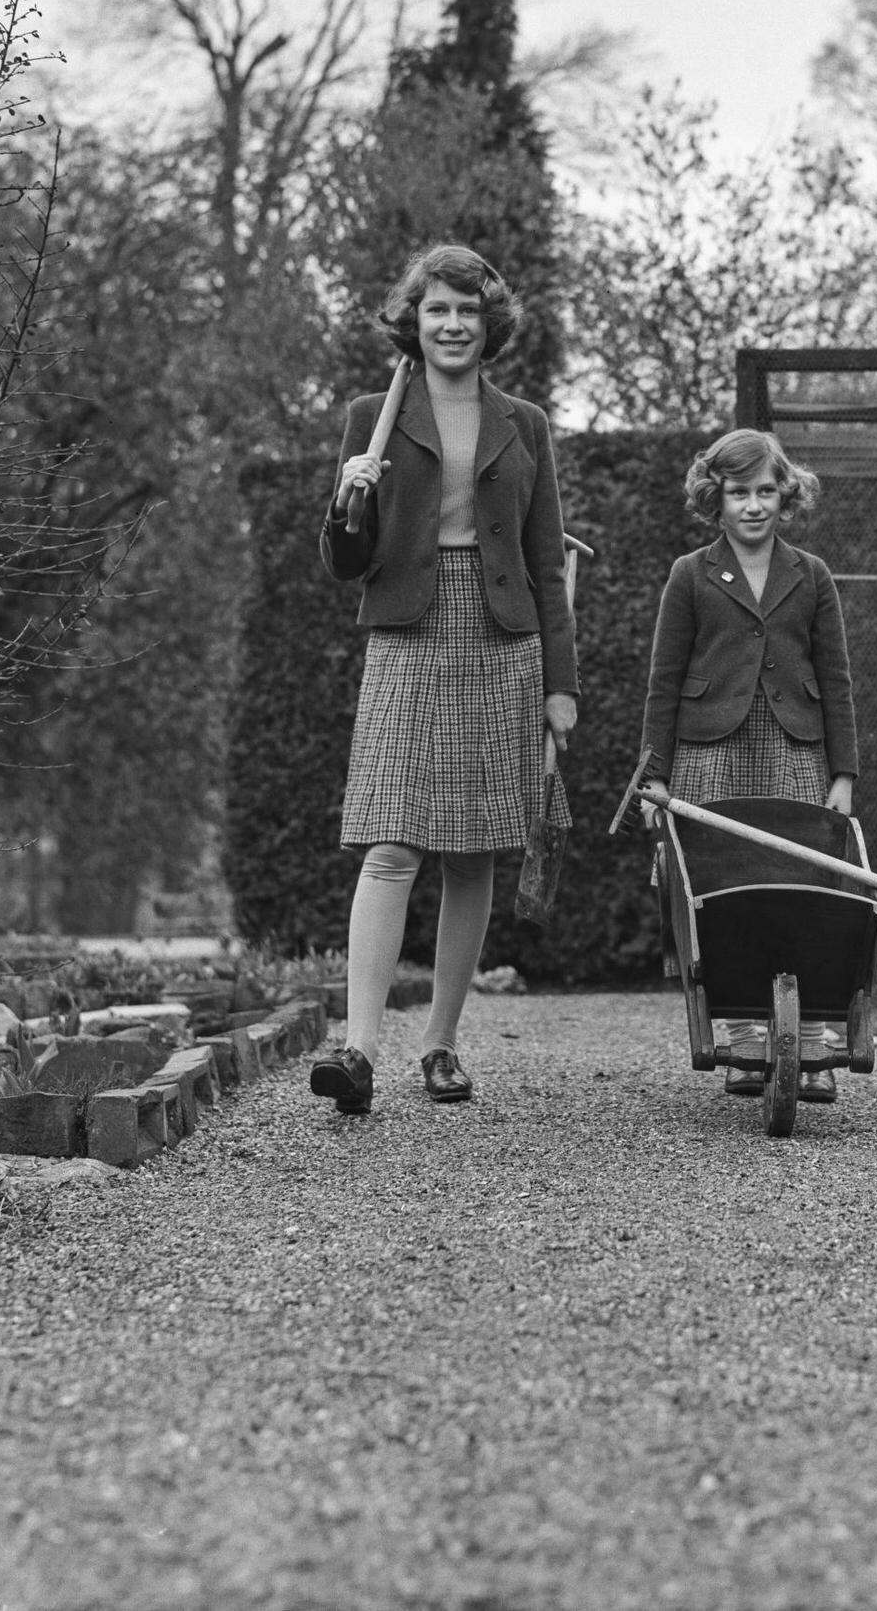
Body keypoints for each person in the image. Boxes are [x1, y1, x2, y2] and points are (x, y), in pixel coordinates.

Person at [310, 243, 577, 1116]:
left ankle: (440, 1044)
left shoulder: (524, 423)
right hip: (407, 631)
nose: (453, 324)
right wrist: (347, 500)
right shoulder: (372, 417)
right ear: (413, 322)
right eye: (437, 310)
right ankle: (356, 1051)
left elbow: (545, 560)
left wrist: (559, 685)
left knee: (473, 850)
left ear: (487, 322)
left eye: (467, 310)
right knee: (390, 841)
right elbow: (348, 559)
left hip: (502, 639)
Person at [640, 428, 858, 1103]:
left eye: (766, 491)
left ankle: (811, 1042)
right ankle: (743, 1039)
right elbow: (664, 679)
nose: (754, 505)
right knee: (726, 889)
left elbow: (838, 679)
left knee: (799, 886)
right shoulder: (689, 573)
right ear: (718, 497)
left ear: (784, 495)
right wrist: (655, 775)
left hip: (795, 748)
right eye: (740, 493)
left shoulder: (813, 575)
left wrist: (844, 773)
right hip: (711, 753)